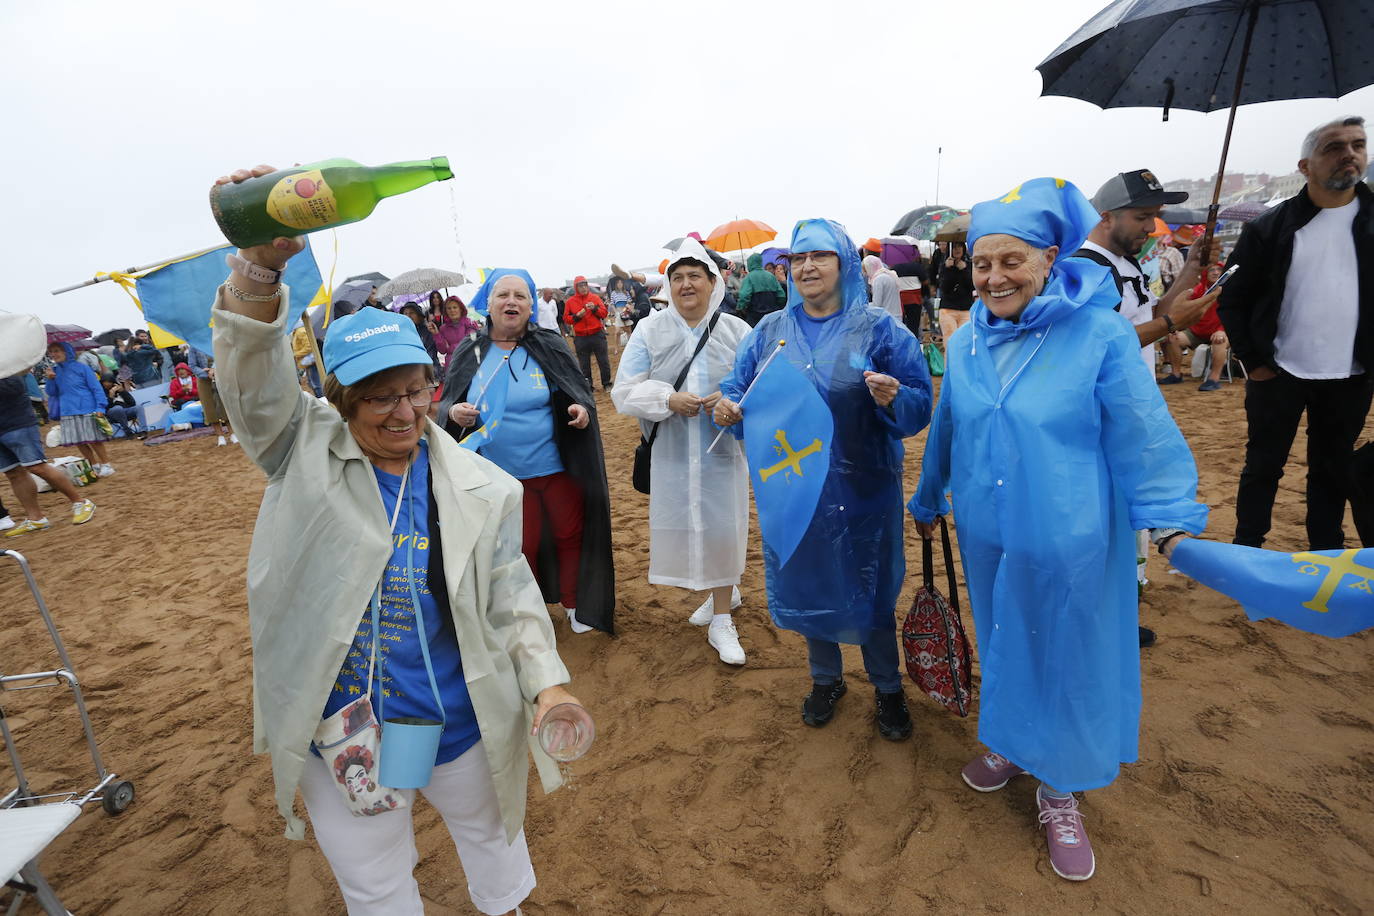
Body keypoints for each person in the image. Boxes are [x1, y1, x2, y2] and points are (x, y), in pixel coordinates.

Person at [209, 164, 583, 916]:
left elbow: (510, 594)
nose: (403, 412)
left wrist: (547, 681)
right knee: (376, 882)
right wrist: (258, 268)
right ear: (339, 401)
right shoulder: (300, 450)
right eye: (377, 397)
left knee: (494, 843)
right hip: (342, 720)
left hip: (451, 716)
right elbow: (252, 381)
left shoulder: (483, 488)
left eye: (414, 390)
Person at [910, 178, 1208, 883]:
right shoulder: (971, 341)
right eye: (982, 264)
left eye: (1011, 261)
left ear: (1048, 258)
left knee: (1068, 650)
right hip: (989, 528)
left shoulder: (1096, 332)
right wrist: (927, 498)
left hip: (1073, 533)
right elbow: (949, 423)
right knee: (1007, 635)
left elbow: (1142, 432)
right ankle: (1013, 742)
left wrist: (1169, 522)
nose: (993, 277)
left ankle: (1060, 786)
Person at [715, 219, 932, 738]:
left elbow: (920, 405)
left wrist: (894, 398)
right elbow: (735, 389)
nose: (807, 267)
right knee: (809, 579)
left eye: (820, 256)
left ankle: (886, 686)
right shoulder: (770, 332)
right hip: (794, 489)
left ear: (844, 264)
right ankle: (826, 678)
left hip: (864, 488)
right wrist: (726, 407)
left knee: (870, 586)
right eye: (798, 258)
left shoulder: (879, 328)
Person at [1219, 115, 1373, 550]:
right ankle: (1247, 549)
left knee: (1333, 468)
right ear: (1305, 167)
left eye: (1358, 145)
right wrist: (1254, 362)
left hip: (1353, 375)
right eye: (1334, 147)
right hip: (1278, 371)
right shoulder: (1268, 228)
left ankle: (1325, 553)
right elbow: (1234, 299)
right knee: (1263, 467)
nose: (1349, 154)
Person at [439, 269, 615, 636]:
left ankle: (573, 604)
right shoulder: (470, 349)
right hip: (500, 476)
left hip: (555, 467)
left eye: (520, 296)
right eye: (503, 295)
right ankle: (529, 613)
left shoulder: (549, 344)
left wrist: (581, 412)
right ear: (487, 304)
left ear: (531, 305)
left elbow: (578, 392)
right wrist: (455, 413)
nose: (511, 302)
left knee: (570, 535)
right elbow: (447, 407)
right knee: (521, 547)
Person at [613, 239, 753, 665]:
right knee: (689, 525)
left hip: (722, 450)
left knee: (723, 526)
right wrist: (666, 399)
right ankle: (721, 593)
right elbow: (624, 391)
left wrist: (733, 402)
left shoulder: (737, 332)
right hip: (672, 452)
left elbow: (760, 387)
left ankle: (722, 618)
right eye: (677, 277)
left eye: (695, 276)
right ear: (668, 286)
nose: (686, 284)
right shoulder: (649, 330)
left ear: (714, 283)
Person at [1076, 169, 1217, 381]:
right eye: (1142, 217)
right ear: (1106, 218)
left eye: (1155, 216)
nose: (1151, 227)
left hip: (1139, 395)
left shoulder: (1128, 262)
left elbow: (1153, 315)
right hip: (1105, 406)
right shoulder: (1083, 269)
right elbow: (1096, 346)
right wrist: (1171, 322)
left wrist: (1193, 266)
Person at [1, 372, 97, 537]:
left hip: (18, 422)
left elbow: (15, 386)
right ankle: (36, 518)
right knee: (13, 473)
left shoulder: (7, 362)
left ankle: (81, 502)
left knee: (37, 466)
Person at [45, 342, 115, 478]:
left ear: (66, 352)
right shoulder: (54, 371)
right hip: (67, 410)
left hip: (86, 408)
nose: (53, 354)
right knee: (79, 442)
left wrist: (100, 406)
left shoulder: (82, 368)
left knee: (94, 440)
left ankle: (106, 465)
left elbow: (96, 388)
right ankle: (93, 465)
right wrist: (50, 379)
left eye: (57, 351)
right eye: (51, 352)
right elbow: (51, 392)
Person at [1165, 263, 1231, 392]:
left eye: (1219, 270)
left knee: (1219, 341)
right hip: (1198, 331)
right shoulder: (1198, 290)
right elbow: (1186, 310)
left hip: (1221, 331)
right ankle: (1176, 374)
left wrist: (1222, 331)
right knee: (1173, 338)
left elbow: (1233, 314)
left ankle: (1214, 379)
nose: (1216, 272)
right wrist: (1178, 327)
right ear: (1206, 273)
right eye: (1211, 269)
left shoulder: (1230, 290)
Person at [564, 276, 611, 390]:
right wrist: (576, 317)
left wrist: (594, 308)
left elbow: (604, 313)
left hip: (597, 334)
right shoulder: (570, 301)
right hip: (581, 337)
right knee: (584, 364)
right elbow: (566, 318)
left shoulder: (594, 298)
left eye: (585, 285)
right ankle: (588, 386)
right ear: (576, 288)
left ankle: (606, 383)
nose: (584, 288)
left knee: (603, 360)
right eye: (581, 286)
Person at [189, 346, 237, 445]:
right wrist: (205, 372)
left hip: (220, 377)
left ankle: (233, 434)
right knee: (209, 407)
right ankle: (220, 436)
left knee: (225, 404)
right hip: (203, 381)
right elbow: (192, 365)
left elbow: (223, 357)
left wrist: (214, 369)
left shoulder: (214, 339)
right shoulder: (193, 347)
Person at [736, 253, 788, 327]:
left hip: (754, 317)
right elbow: (781, 295)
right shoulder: (771, 276)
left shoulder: (749, 278)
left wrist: (740, 309)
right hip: (772, 315)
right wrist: (778, 307)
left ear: (750, 264)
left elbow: (744, 296)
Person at [937, 241, 975, 341]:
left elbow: (972, 286)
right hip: (948, 309)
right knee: (950, 341)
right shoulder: (944, 266)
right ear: (949, 249)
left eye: (959, 246)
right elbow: (944, 288)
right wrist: (948, 269)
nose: (957, 249)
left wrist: (964, 270)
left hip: (966, 309)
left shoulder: (969, 265)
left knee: (965, 341)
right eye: (954, 247)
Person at [433, 296, 482, 367]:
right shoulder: (443, 328)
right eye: (449, 308)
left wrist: (450, 348)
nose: (452, 310)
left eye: (455, 307)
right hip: (451, 367)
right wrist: (436, 334)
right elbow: (442, 350)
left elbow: (468, 344)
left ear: (461, 309)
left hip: (469, 363)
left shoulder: (470, 323)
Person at [400, 302, 441, 370]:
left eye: (412, 313)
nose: (408, 316)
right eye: (406, 313)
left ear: (419, 315)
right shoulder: (402, 334)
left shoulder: (428, 330)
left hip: (431, 370)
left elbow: (431, 353)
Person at [862, 254, 901, 320]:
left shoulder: (878, 280)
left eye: (865, 270)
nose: (866, 273)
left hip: (887, 318)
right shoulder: (889, 275)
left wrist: (863, 306)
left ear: (870, 267)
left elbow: (877, 304)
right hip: (896, 315)